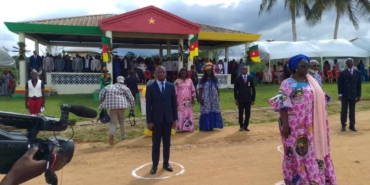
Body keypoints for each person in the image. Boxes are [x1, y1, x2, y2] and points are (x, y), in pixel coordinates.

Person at [268, 54, 337, 184]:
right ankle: (299, 179)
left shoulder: (313, 81)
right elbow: (282, 105)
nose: (307, 68)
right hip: (295, 125)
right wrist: (285, 125)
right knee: (297, 152)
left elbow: (322, 99)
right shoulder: (287, 83)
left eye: (308, 65)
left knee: (314, 151)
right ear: (295, 67)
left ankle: (316, 179)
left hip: (314, 124)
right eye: (303, 65)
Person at [145, 66, 178, 175]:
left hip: (168, 119)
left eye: (164, 72)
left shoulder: (170, 86)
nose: (163, 73)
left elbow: (174, 104)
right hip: (156, 120)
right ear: (156, 74)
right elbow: (148, 106)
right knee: (156, 144)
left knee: (167, 143)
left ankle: (166, 163)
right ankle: (154, 165)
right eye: (161, 72)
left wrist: (175, 119)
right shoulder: (150, 87)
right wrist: (149, 121)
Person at [99, 76, 135, 145]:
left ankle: (111, 134)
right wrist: (132, 108)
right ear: (123, 81)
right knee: (122, 121)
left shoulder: (109, 87)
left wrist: (102, 101)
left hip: (112, 107)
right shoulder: (125, 88)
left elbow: (101, 95)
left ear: (117, 80)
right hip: (122, 107)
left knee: (113, 122)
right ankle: (123, 137)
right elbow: (131, 98)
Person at [338, 58, 362, 132]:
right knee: (344, 110)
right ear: (346, 64)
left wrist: (358, 95)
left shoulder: (357, 72)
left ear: (353, 63)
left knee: (352, 110)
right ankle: (343, 125)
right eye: (348, 62)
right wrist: (340, 94)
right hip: (345, 94)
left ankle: (352, 125)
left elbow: (359, 85)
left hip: (353, 94)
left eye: (351, 62)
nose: (350, 64)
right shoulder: (342, 72)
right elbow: (340, 84)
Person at [198, 62, 223, 131]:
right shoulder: (202, 80)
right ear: (205, 72)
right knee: (206, 110)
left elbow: (217, 88)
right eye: (207, 71)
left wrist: (218, 97)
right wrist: (200, 98)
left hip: (214, 98)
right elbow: (200, 89)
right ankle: (206, 126)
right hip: (205, 97)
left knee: (213, 110)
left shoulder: (215, 79)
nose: (209, 72)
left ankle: (212, 125)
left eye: (210, 70)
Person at [234, 66, 255, 131]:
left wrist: (253, 99)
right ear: (241, 70)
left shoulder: (250, 78)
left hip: (248, 99)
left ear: (247, 70)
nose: (244, 70)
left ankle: (246, 126)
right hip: (240, 99)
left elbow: (253, 89)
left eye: (245, 69)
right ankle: (241, 126)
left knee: (248, 113)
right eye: (243, 69)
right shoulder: (238, 78)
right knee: (240, 112)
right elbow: (235, 90)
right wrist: (236, 99)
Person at [174, 68, 196, 132]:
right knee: (180, 113)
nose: (183, 74)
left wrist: (193, 99)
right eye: (182, 73)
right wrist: (175, 101)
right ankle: (180, 128)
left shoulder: (190, 80)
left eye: (184, 73)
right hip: (180, 101)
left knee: (188, 113)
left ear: (187, 73)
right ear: (180, 74)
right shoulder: (177, 81)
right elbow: (175, 92)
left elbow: (193, 90)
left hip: (188, 100)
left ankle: (188, 128)